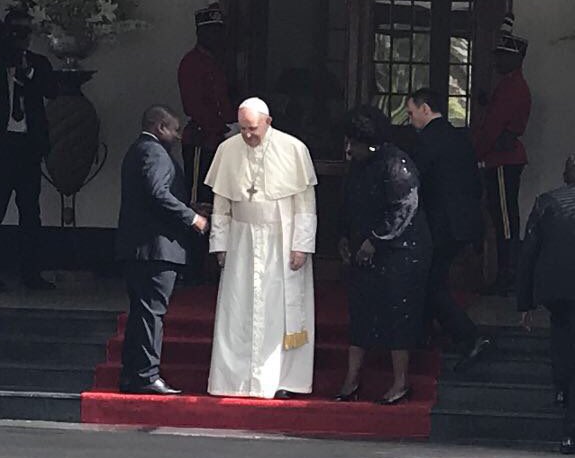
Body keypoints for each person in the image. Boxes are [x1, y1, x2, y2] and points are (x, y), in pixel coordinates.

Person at [205, 97, 317, 399]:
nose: (247, 135)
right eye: (242, 129)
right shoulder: (227, 150)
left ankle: (281, 380)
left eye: (252, 128)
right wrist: (219, 243)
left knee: (277, 310)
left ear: (267, 121)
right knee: (238, 309)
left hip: (281, 240)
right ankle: (235, 381)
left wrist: (302, 246)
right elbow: (221, 203)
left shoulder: (293, 149)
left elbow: (305, 206)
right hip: (241, 242)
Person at [336, 106, 431, 404]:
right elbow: (348, 202)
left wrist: (375, 241)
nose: (349, 150)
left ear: (371, 142)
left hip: (401, 252)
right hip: (363, 247)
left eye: (355, 144)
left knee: (398, 312)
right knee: (360, 311)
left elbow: (404, 207)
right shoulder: (358, 166)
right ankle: (351, 379)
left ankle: (400, 381)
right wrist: (343, 236)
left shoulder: (396, 164)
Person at [116, 105, 208, 395]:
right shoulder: (154, 152)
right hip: (155, 248)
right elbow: (157, 193)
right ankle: (147, 374)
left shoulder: (138, 150)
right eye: (174, 129)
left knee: (141, 311)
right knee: (152, 313)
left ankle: (132, 373)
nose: (179, 136)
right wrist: (191, 218)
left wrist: (187, 207)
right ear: (160, 127)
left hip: (140, 248)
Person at [0, 8, 57, 292]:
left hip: (28, 148)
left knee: (30, 211)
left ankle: (31, 273)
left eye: (25, 34)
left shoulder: (38, 64)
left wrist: (28, 74)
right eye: (15, 33)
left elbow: (52, 92)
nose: (21, 40)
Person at [407, 88, 492, 371]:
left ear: (425, 109)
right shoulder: (460, 137)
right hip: (463, 221)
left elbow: (415, 182)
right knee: (433, 279)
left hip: (441, 224)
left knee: (430, 285)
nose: (410, 120)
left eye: (411, 113)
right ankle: (426, 334)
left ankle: (469, 337)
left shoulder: (427, 141)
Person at [517, 155, 575, 455]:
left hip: (557, 290)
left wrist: (524, 301)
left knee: (563, 341)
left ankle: (562, 389)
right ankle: (570, 431)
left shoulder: (546, 203)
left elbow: (528, 254)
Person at [178, 0, 235, 286]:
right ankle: (194, 268)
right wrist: (221, 127)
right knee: (199, 202)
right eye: (213, 32)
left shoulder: (217, 62)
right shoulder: (192, 63)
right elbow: (195, 105)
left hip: (222, 140)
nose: (218, 38)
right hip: (203, 142)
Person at [473, 13, 531, 295]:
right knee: (503, 217)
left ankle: (508, 274)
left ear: (514, 59)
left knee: (505, 219)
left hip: (502, 160)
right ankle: (507, 272)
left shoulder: (512, 87)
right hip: (504, 158)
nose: (496, 61)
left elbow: (493, 128)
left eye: (501, 57)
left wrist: (476, 151)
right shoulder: (510, 85)